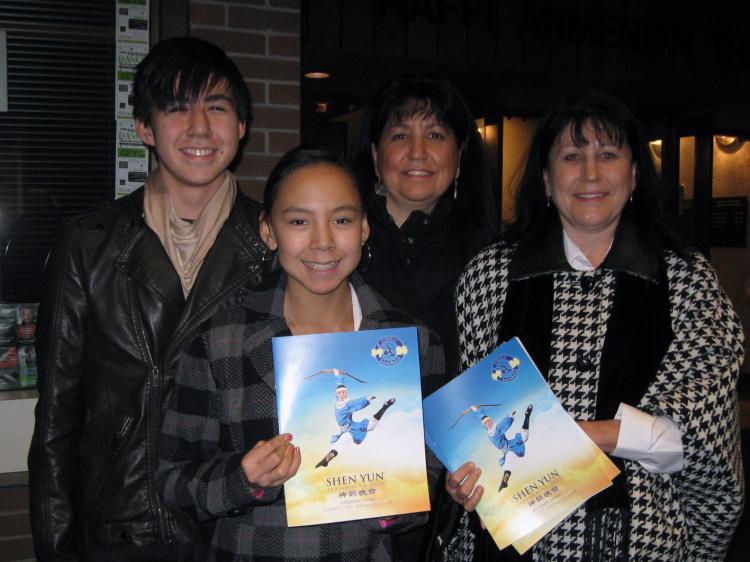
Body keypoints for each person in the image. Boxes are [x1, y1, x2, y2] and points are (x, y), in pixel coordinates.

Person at [441, 91, 745, 561]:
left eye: (608, 154)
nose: (590, 173)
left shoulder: (685, 280)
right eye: (571, 156)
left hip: (640, 541)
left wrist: (587, 435)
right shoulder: (490, 277)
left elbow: (703, 437)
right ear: (546, 178)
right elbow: (474, 425)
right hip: (512, 542)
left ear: (635, 174)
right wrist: (464, 476)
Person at [28, 37, 265, 561]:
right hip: (123, 529)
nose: (200, 128)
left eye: (217, 108)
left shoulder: (275, 239)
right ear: (145, 128)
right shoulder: (88, 244)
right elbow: (56, 423)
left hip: (240, 525)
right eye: (177, 108)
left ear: (242, 127)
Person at [158, 147, 444, 561]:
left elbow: (430, 472)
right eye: (298, 222)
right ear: (269, 231)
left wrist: (393, 503)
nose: (323, 242)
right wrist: (243, 479)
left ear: (365, 228)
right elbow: (171, 479)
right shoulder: (221, 342)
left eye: (342, 220)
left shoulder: (411, 343)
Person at [350, 75, 500, 388]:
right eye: (400, 136)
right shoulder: (340, 243)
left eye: (434, 135)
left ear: (458, 157)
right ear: (376, 157)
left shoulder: (490, 260)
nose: (417, 152)